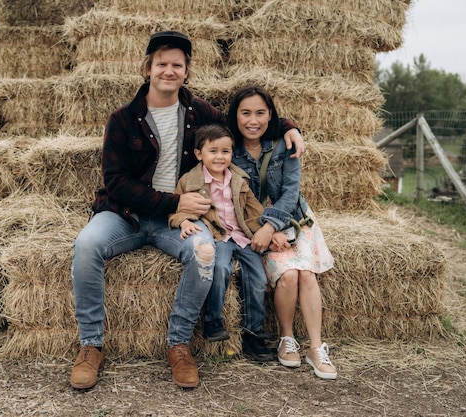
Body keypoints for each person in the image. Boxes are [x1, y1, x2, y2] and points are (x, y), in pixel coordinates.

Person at [69, 32, 305, 390]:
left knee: (205, 252)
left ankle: (178, 345)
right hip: (126, 213)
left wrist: (289, 128)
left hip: (178, 223)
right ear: (147, 68)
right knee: (86, 245)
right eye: (161, 64)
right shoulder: (123, 119)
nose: (169, 70)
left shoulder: (201, 113)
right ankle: (90, 346)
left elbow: (247, 121)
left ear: (187, 71)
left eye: (176, 65)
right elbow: (116, 182)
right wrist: (174, 202)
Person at [227, 84, 338, 380]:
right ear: (235, 116)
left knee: (306, 274)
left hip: (293, 220)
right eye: (246, 113)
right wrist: (261, 229)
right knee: (289, 275)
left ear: (271, 115)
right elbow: (233, 199)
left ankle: (316, 348)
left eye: (261, 113)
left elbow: (291, 192)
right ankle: (287, 338)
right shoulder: (228, 150)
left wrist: (272, 225)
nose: (253, 120)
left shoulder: (284, 145)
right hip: (252, 225)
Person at [169, 124, 273, 362]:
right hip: (219, 236)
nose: (219, 157)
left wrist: (267, 231)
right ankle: (213, 321)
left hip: (242, 237)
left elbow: (254, 211)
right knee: (220, 269)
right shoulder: (189, 181)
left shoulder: (239, 180)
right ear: (199, 154)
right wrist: (184, 222)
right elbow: (176, 211)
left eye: (225, 151)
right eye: (213, 151)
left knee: (258, 277)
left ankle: (253, 331)